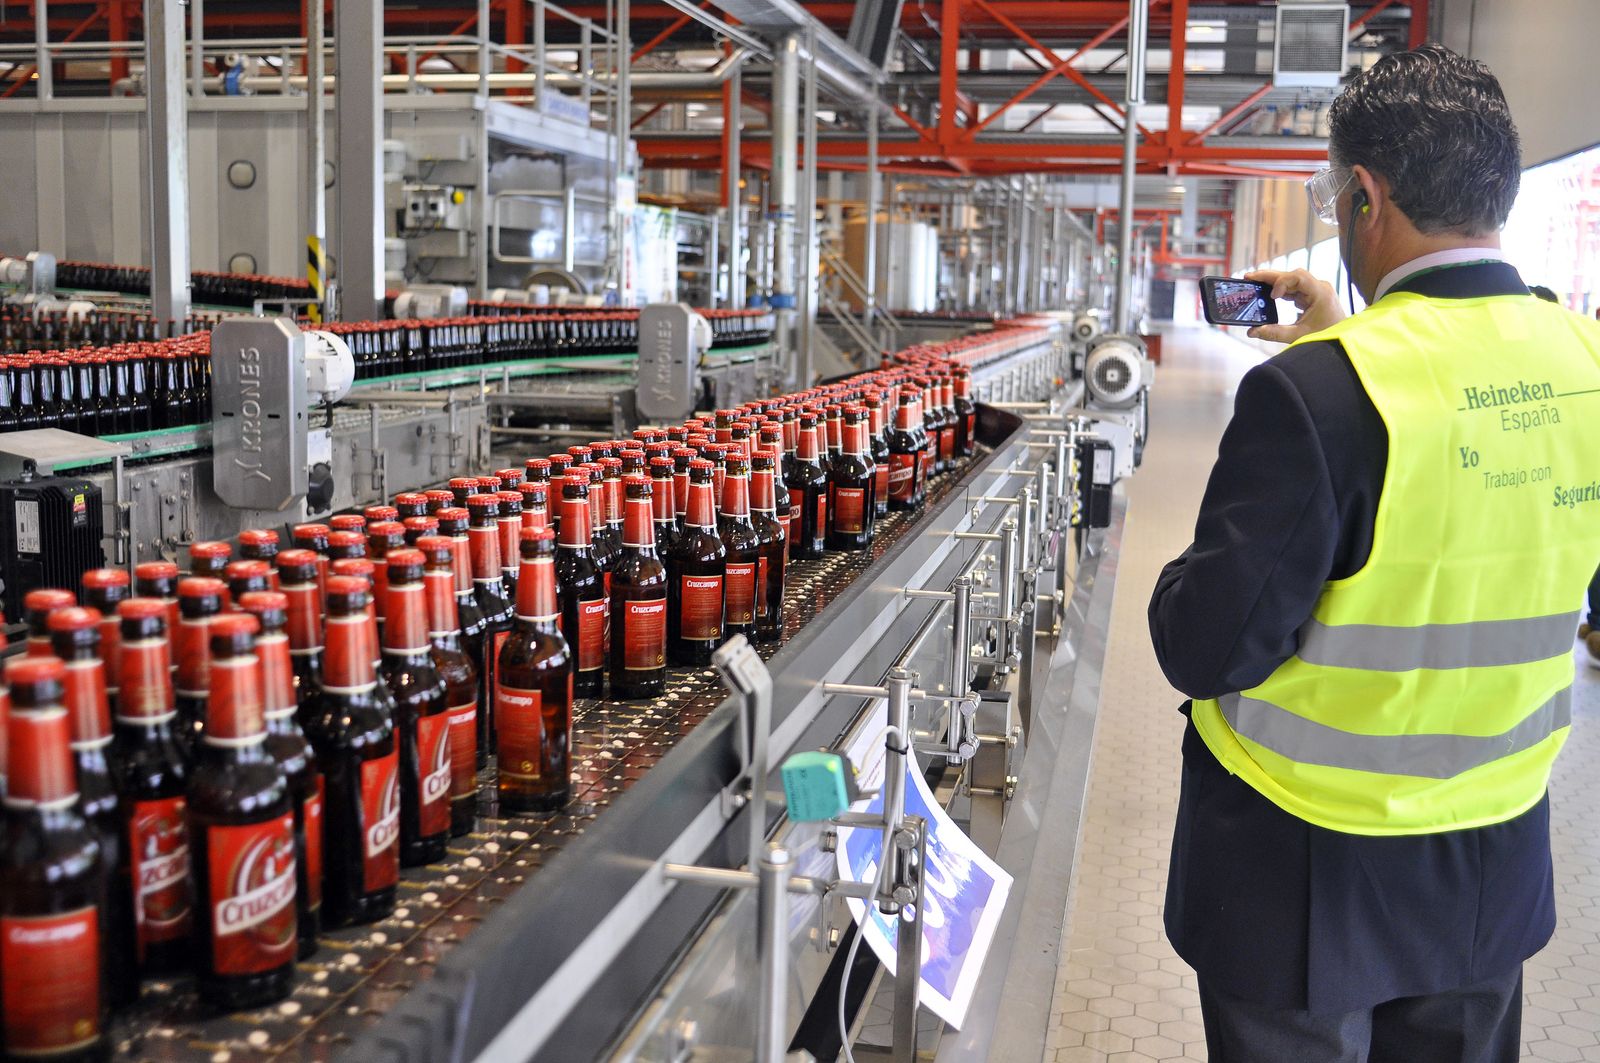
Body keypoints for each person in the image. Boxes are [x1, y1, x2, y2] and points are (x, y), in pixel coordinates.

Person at [1149, 44, 1600, 1062]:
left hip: (1301, 861)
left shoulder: (1318, 393)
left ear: (1362, 194)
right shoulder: (1585, 363)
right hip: (1491, 855)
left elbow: (1206, 647)